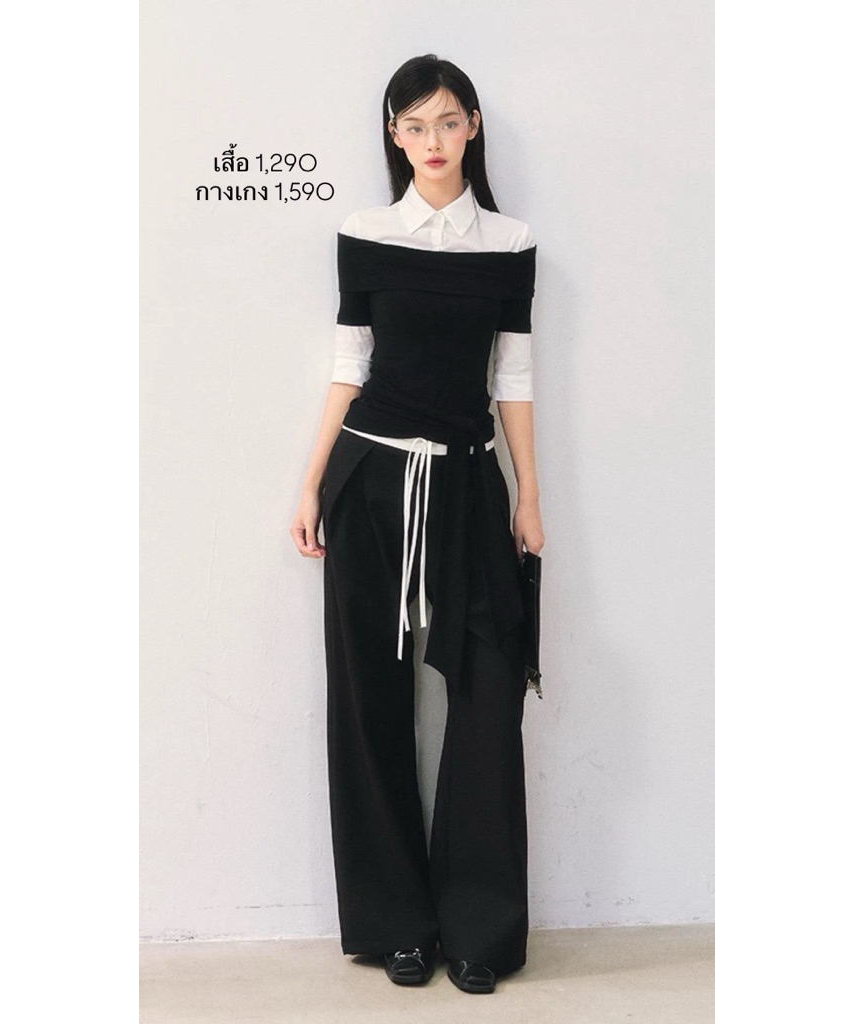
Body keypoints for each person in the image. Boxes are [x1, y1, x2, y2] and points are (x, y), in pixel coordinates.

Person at [290, 53, 545, 995]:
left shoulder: (510, 242)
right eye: (412, 126)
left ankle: (479, 928)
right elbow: (348, 365)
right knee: (368, 694)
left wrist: (528, 494)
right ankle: (395, 922)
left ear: (472, 125)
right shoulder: (364, 234)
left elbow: (512, 375)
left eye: (446, 121)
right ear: (393, 136)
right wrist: (310, 484)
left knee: (487, 693)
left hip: (469, 482)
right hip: (370, 478)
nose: (431, 142)